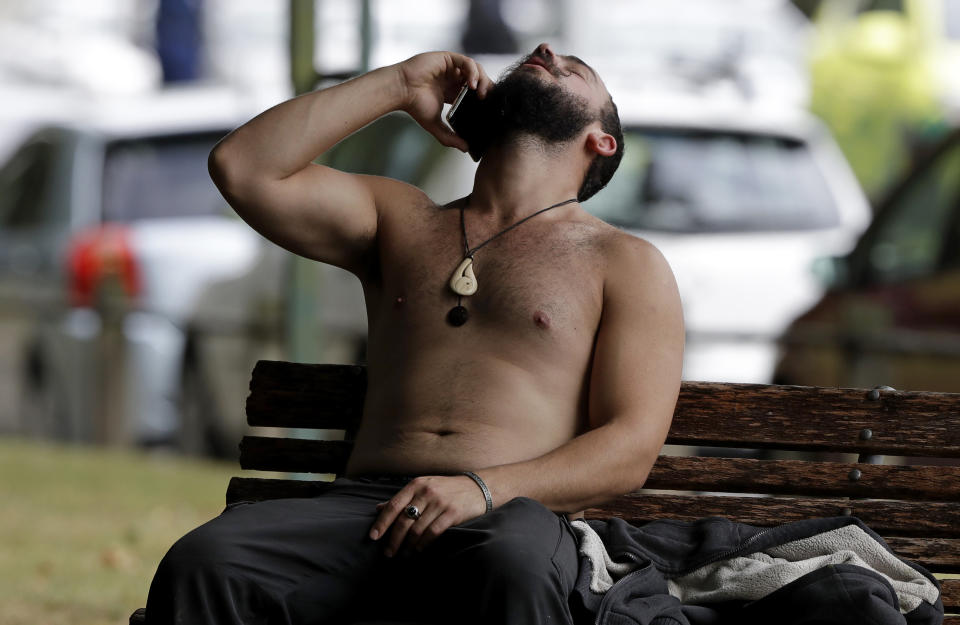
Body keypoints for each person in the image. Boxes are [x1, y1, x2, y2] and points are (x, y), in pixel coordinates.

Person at [145, 43, 684, 624]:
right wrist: (399, 86)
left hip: (512, 515)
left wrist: (481, 490)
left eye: (575, 70)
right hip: (365, 510)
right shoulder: (400, 219)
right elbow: (242, 166)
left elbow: (630, 447)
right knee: (206, 560)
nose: (546, 50)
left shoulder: (624, 261)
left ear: (600, 140)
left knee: (511, 566)